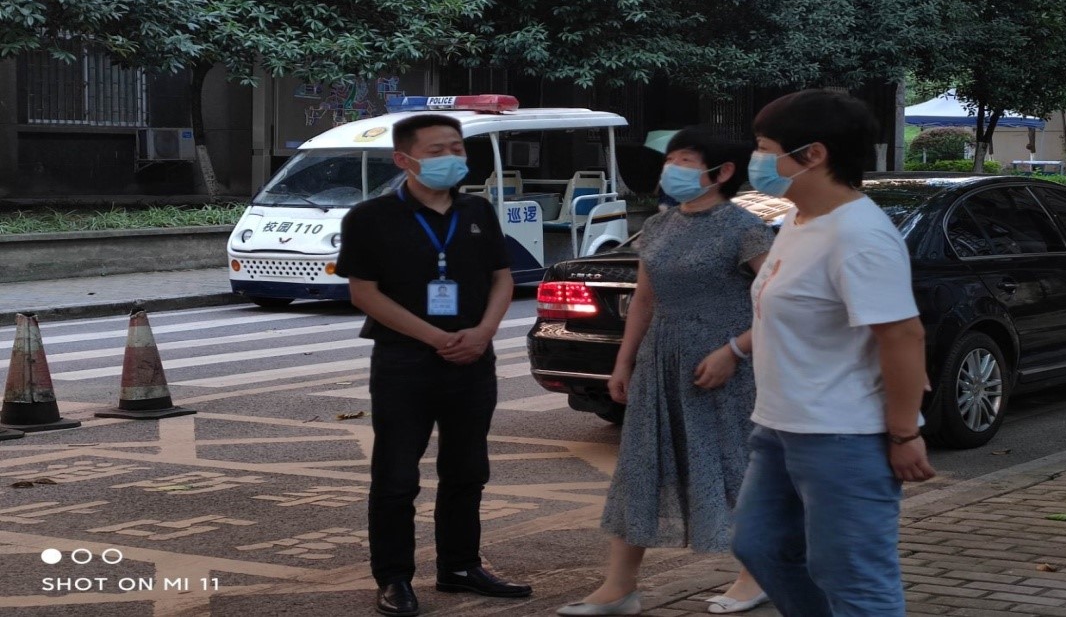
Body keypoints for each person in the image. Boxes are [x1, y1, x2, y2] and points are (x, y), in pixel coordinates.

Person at [730, 89, 936, 617]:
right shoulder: (800, 221)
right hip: (780, 427)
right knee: (761, 546)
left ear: (814, 154)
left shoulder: (859, 235)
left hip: (843, 435)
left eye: (765, 148)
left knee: (853, 578)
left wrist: (903, 434)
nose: (757, 160)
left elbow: (902, 336)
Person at [559, 127, 773, 616]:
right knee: (641, 466)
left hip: (724, 368)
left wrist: (734, 352)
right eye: (669, 160)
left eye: (685, 160)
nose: (671, 169)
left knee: (735, 466)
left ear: (722, 172)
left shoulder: (745, 227)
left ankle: (757, 574)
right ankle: (619, 587)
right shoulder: (658, 225)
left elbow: (779, 301)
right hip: (662, 361)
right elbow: (644, 299)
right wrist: (624, 362)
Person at [335, 114, 532, 617]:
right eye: (437, 151)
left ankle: (460, 566)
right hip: (405, 362)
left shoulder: (478, 210)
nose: (452, 158)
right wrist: (435, 338)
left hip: (473, 359)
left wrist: (483, 333)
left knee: (468, 470)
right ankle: (394, 578)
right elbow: (364, 293)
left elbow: (502, 278)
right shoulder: (369, 218)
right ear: (404, 159)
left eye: (457, 149)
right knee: (397, 476)